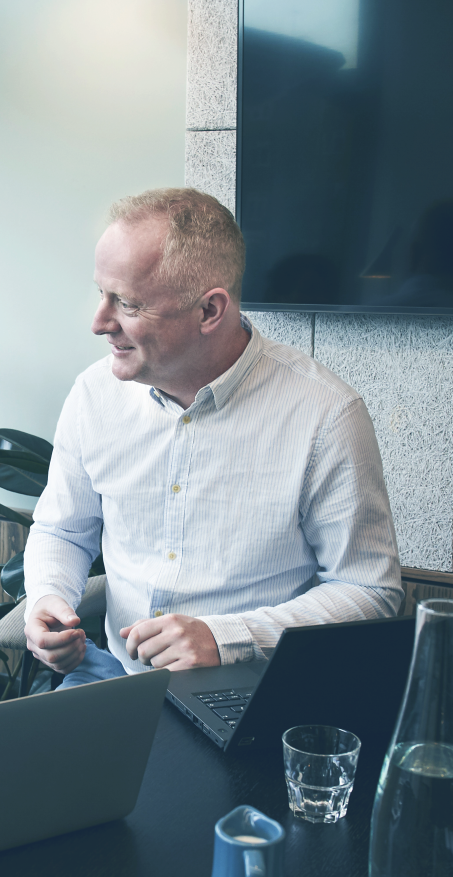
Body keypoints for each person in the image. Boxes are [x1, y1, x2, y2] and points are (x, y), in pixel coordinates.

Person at [23, 188, 403, 685]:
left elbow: (369, 590)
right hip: (111, 678)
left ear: (209, 311)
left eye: (128, 304)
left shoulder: (326, 414)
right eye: (102, 293)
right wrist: (50, 597)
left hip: (253, 687)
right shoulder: (94, 395)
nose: (99, 323)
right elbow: (61, 529)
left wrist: (228, 637)